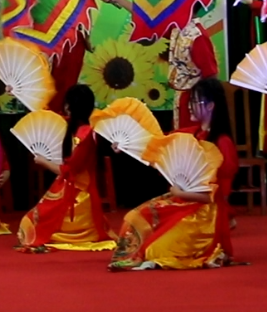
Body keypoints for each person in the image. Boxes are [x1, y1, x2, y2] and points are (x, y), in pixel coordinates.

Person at [109, 79, 238, 271]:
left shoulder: (222, 143)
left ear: (211, 105)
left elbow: (215, 196)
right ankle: (134, 255)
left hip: (204, 214)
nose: (190, 106)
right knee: (133, 217)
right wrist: (126, 146)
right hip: (181, 201)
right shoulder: (191, 134)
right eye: (190, 101)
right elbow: (157, 142)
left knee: (155, 251)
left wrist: (180, 193)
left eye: (195, 102)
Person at [15, 84, 114, 253]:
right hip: (67, 187)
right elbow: (49, 115)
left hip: (78, 195)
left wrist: (44, 161)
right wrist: (19, 95)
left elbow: (69, 171)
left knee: (30, 226)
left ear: (71, 106)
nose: (65, 107)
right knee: (28, 224)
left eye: (68, 103)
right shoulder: (75, 127)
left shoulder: (85, 135)